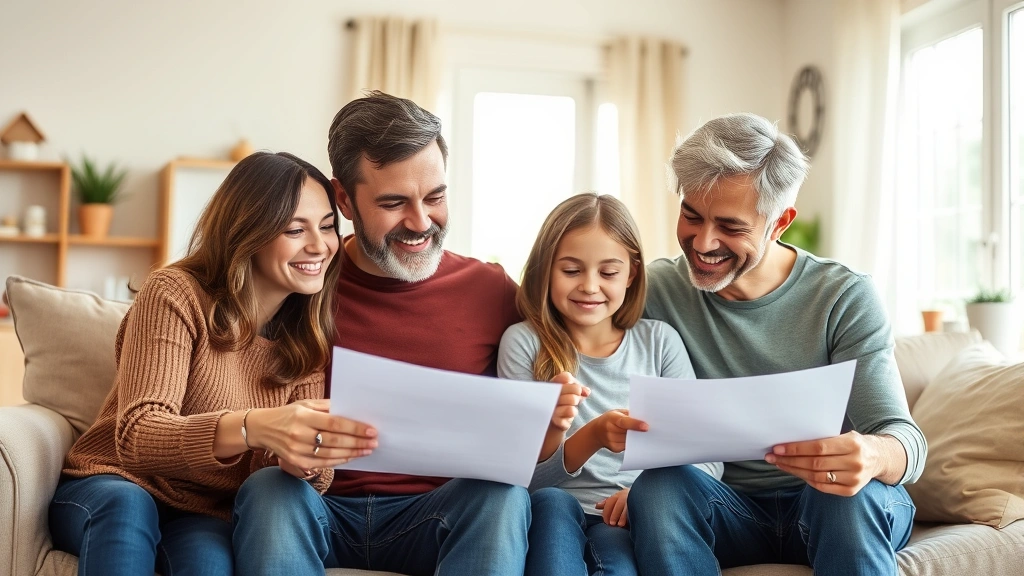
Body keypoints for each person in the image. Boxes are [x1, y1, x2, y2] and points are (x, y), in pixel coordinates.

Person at [232, 91, 531, 576]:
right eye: (393, 202)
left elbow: (578, 335)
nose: (420, 222)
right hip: (314, 504)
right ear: (345, 199)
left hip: (437, 511)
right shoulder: (297, 283)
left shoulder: (489, 288)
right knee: (268, 490)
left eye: (435, 197)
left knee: (502, 495)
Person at [626, 113, 927, 576]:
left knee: (842, 493)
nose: (703, 242)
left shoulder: (842, 296)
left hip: (835, 505)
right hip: (728, 508)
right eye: (691, 215)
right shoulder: (656, 289)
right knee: (659, 487)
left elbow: (905, 439)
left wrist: (871, 454)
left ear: (780, 222)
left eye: (730, 226)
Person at [48, 151, 363, 575]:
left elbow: (297, 476)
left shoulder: (306, 334)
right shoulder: (175, 294)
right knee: (128, 509)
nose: (319, 246)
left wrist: (302, 459)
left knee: (208, 563)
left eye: (327, 226)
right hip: (112, 483)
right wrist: (253, 425)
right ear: (248, 233)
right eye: (294, 229)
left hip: (203, 512)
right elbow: (138, 434)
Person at [497, 192, 722, 576]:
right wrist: (591, 435)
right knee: (552, 506)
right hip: (550, 509)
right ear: (545, 269)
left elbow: (708, 459)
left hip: (628, 514)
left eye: (608, 272)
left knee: (617, 558)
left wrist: (645, 496)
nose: (589, 286)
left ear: (632, 273)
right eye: (571, 270)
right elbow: (516, 477)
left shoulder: (659, 342)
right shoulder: (524, 343)